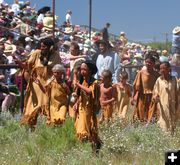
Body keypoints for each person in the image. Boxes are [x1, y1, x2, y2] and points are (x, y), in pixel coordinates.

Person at [14, 37, 61, 131]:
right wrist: (19, 63)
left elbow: (57, 70)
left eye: (44, 46)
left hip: (49, 83)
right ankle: (31, 126)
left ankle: (47, 127)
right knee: (34, 105)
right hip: (36, 83)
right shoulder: (36, 53)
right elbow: (27, 67)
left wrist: (51, 82)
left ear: (50, 47)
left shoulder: (55, 55)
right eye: (41, 46)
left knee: (47, 104)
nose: (42, 48)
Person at [73, 60, 101, 153]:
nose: (82, 72)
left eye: (84, 69)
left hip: (89, 109)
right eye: (81, 69)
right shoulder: (82, 81)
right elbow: (80, 95)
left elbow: (89, 92)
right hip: (81, 108)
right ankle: (83, 150)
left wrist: (78, 85)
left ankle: (94, 148)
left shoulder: (95, 82)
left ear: (90, 70)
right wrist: (76, 103)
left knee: (90, 129)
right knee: (81, 129)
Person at [131, 51, 160, 122]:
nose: (148, 64)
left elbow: (159, 87)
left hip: (152, 97)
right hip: (142, 96)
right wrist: (133, 97)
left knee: (151, 115)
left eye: (150, 62)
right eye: (146, 62)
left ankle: (149, 128)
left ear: (153, 64)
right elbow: (136, 86)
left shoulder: (157, 75)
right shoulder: (141, 73)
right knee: (141, 114)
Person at [152, 62, 179, 134]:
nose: (162, 70)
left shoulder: (174, 80)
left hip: (173, 107)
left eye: (164, 68)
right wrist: (155, 97)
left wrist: (177, 106)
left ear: (169, 69)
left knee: (173, 125)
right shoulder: (159, 80)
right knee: (163, 125)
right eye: (160, 69)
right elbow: (155, 92)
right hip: (162, 108)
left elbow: (177, 93)